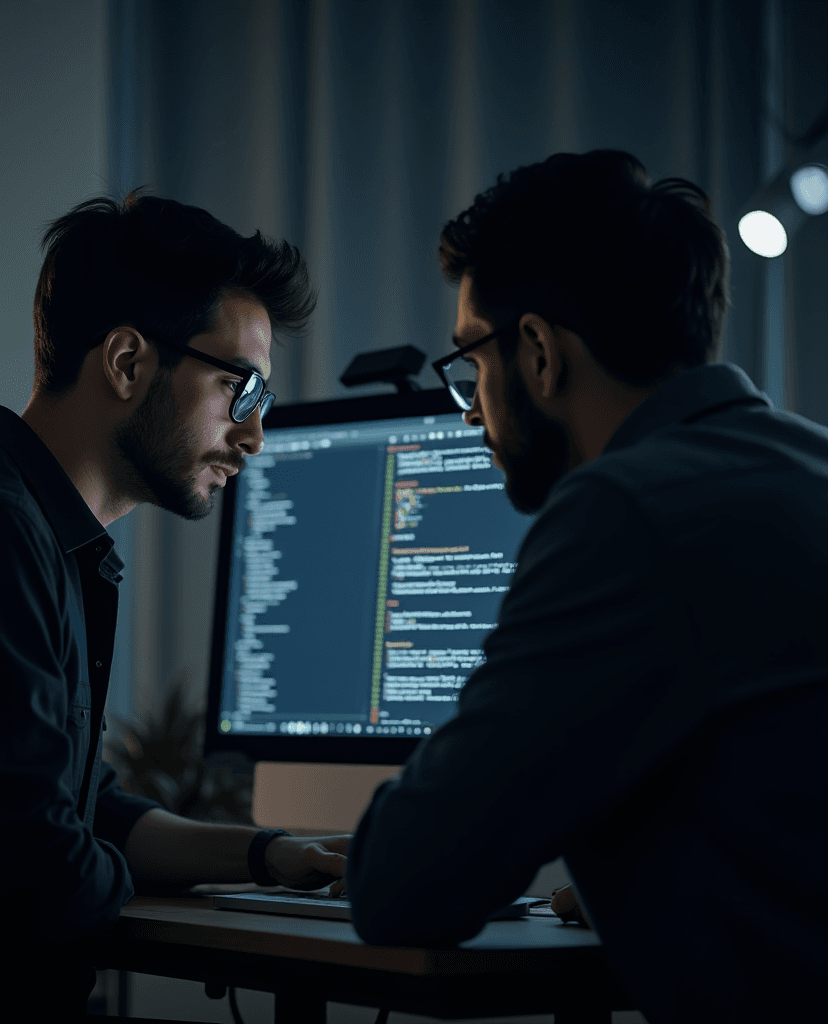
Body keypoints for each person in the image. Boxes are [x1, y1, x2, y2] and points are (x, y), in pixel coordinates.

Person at [0, 191, 347, 1019]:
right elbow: (41, 875)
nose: (254, 436)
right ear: (128, 363)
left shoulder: (26, 529)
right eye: (242, 392)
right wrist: (85, 854)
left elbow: (84, 809)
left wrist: (273, 855)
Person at [347, 151, 826, 1023]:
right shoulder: (808, 464)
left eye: (470, 362)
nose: (470, 408)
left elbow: (401, 885)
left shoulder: (623, 511)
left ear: (536, 350)